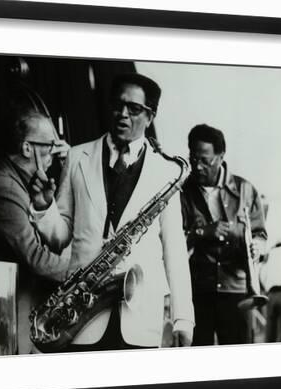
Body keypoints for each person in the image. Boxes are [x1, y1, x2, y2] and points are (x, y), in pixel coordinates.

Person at [30, 73, 195, 351]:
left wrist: (183, 320)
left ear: (150, 116)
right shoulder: (77, 157)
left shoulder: (167, 171)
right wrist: (44, 206)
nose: (123, 114)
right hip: (81, 316)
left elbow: (175, 252)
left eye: (134, 109)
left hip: (140, 317)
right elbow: (60, 238)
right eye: (118, 106)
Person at [0, 111, 70, 354]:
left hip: (19, 309)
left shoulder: (20, 181)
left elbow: (53, 243)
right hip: (2, 318)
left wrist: (45, 205)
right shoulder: (3, 188)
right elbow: (38, 260)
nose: (56, 151)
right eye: (50, 145)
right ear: (27, 148)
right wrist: (83, 270)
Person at [180, 123, 268, 346]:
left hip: (238, 291)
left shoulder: (246, 190)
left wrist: (258, 246)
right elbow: (173, 242)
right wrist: (202, 232)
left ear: (220, 157)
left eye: (204, 160)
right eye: (193, 159)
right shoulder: (182, 192)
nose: (197, 166)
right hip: (198, 291)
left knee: (239, 362)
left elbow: (261, 235)